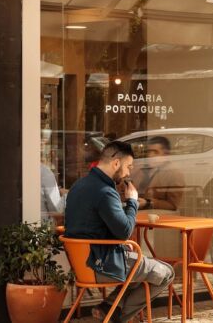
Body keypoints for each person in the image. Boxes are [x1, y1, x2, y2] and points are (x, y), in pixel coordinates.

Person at [65, 141, 174, 323]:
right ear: (116, 163)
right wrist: (132, 201)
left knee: (141, 271)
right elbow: (124, 232)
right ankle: (115, 317)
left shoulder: (78, 186)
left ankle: (109, 306)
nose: (129, 173)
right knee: (166, 273)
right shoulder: (105, 192)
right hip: (103, 264)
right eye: (128, 167)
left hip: (82, 265)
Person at [131, 136, 185, 211]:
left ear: (166, 155)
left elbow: (173, 205)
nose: (150, 156)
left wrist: (148, 203)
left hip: (156, 216)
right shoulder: (140, 170)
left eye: (155, 152)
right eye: (149, 152)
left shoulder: (174, 173)